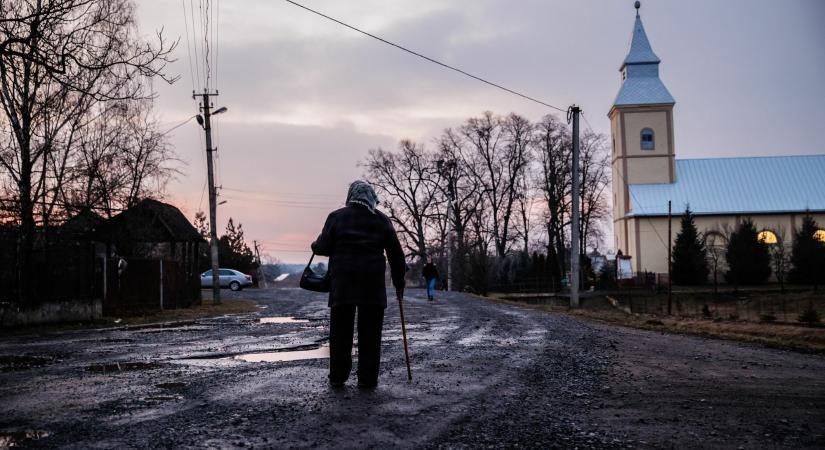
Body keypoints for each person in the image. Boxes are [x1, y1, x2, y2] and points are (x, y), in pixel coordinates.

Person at [311, 180, 406, 388]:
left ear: (350, 196)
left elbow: (323, 247)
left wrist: (315, 244)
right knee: (371, 334)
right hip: (372, 284)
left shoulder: (336, 217)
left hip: (343, 283)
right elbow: (396, 256)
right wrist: (399, 283)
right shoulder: (382, 221)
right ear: (371, 198)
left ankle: (338, 376)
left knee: (340, 333)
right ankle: (368, 378)